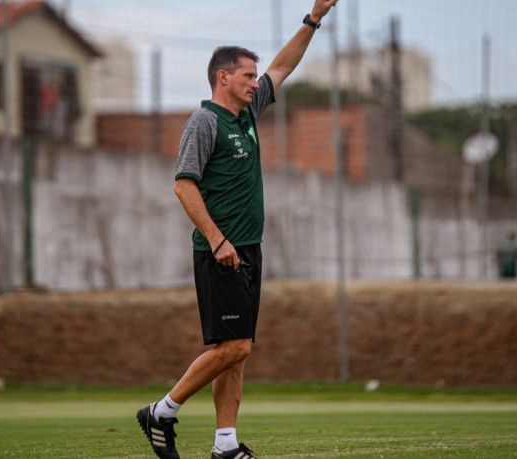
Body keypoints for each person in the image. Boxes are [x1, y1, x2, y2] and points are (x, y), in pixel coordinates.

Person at [136, 1, 338, 458]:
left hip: (248, 249)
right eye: (248, 75)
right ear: (222, 77)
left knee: (235, 349)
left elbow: (284, 65)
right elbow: (183, 186)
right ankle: (162, 411)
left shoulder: (246, 114)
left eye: (254, 76)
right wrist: (217, 239)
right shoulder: (205, 121)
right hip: (219, 252)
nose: (256, 81)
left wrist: (314, 18)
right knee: (238, 347)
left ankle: (225, 445)